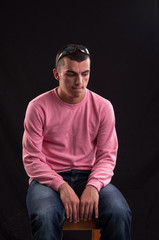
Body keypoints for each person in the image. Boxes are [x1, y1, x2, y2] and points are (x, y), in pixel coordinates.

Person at [22, 44, 131, 240]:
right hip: (47, 179)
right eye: (71, 74)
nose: (79, 82)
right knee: (45, 216)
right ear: (57, 74)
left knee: (119, 213)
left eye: (85, 74)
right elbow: (31, 159)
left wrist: (93, 186)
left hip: (88, 176)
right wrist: (61, 186)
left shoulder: (103, 107)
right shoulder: (37, 107)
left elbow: (107, 156)